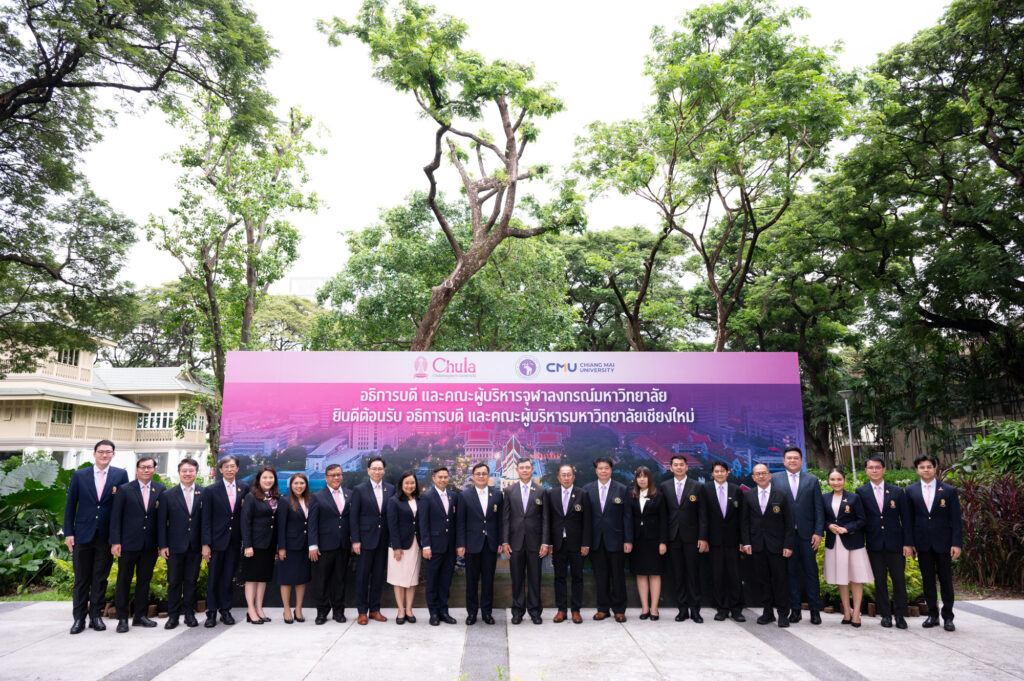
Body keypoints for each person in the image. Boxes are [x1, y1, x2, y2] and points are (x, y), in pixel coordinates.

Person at [63, 440, 129, 634]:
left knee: (100, 578)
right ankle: (79, 619)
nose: (104, 455)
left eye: (108, 452)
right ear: (94, 454)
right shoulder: (79, 475)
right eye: (101, 452)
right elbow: (70, 505)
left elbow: (123, 506)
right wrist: (69, 533)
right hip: (82, 535)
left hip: (106, 536)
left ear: (113, 455)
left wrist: (118, 538)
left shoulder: (120, 475)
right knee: (81, 579)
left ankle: (96, 616)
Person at [905, 454, 963, 632]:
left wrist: (956, 543)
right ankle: (932, 614)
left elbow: (956, 520)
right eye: (922, 467)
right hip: (922, 544)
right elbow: (908, 520)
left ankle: (948, 617)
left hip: (944, 543)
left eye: (929, 466)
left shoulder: (948, 490)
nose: (926, 470)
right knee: (928, 581)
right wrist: (909, 543)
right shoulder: (911, 490)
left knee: (946, 581)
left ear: (935, 469)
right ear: (917, 470)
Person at [854, 456, 912, 629]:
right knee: (880, 582)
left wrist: (908, 543)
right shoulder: (861, 492)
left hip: (895, 544)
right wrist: (861, 544)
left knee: (899, 581)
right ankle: (885, 615)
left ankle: (900, 615)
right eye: (870, 467)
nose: (874, 470)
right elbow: (860, 520)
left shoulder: (897, 492)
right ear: (866, 470)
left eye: (877, 467)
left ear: (884, 469)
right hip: (874, 544)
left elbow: (906, 520)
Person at [110, 456, 165, 632]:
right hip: (127, 543)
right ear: (137, 469)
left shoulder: (160, 489)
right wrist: (115, 541)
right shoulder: (125, 489)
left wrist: (161, 544)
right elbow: (115, 517)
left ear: (155, 469)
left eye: (150, 467)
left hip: (149, 545)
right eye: (143, 467)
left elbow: (161, 520)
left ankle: (140, 616)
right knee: (123, 581)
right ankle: (122, 619)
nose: (146, 470)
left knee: (144, 581)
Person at [772, 446, 825, 624]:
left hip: (808, 535)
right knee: (791, 573)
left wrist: (818, 532)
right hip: (787, 536)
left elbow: (819, 509)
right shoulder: (775, 479)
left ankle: (815, 610)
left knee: (811, 573)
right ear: (784, 461)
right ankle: (795, 610)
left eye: (796, 458)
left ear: (802, 461)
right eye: (789, 458)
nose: (792, 461)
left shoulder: (812, 480)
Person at [741, 463, 795, 627]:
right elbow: (744, 522)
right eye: (757, 474)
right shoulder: (748, 495)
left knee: (780, 580)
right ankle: (767, 612)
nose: (761, 476)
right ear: (753, 477)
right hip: (757, 545)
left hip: (777, 546)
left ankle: (783, 613)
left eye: (764, 473)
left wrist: (788, 545)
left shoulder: (781, 495)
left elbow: (789, 523)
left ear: (769, 475)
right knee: (763, 580)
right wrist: (746, 542)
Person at [658, 454, 708, 623]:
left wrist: (703, 537)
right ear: (670, 468)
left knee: (693, 574)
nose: (679, 467)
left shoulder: (697, 486)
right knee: (678, 575)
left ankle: (695, 610)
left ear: (687, 467)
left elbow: (703, 515)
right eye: (675, 465)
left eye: (682, 465)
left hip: (692, 538)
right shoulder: (664, 487)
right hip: (673, 538)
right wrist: (663, 540)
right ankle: (682, 609)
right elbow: (663, 516)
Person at [501, 458, 550, 625]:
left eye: (527, 468)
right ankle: (518, 611)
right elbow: (505, 518)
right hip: (515, 542)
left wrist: (545, 542)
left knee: (535, 578)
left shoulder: (542, 490)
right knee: (517, 578)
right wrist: (505, 541)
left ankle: (535, 611)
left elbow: (545, 519)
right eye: (521, 468)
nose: (524, 470)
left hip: (535, 543)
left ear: (532, 470)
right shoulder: (509, 491)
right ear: (517, 470)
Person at [584, 457, 633, 623]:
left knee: (618, 576)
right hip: (596, 540)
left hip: (617, 540)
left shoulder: (622, 489)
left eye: (606, 468)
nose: (603, 471)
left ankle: (619, 610)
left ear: (611, 470)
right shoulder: (587, 489)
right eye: (600, 468)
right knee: (600, 576)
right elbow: (584, 518)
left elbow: (627, 516)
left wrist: (628, 540)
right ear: (596, 470)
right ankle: (603, 609)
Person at [822, 467, 873, 627]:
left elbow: (862, 520)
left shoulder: (854, 498)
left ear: (844, 480)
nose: (836, 482)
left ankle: (856, 613)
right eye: (832, 479)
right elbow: (821, 519)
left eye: (839, 479)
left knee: (856, 578)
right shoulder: (824, 498)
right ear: (828, 481)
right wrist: (829, 526)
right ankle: (846, 611)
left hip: (853, 543)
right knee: (841, 579)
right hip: (834, 543)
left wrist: (847, 528)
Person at [201, 455, 247, 627]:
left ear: (237, 469)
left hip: (235, 542)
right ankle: (211, 612)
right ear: (220, 470)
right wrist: (205, 544)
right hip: (215, 542)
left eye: (232, 466)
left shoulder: (244, 488)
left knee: (228, 577)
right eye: (226, 466)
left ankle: (225, 610)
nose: (229, 469)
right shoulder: (211, 490)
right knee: (214, 578)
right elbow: (205, 519)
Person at [158, 457, 204, 629]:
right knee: (174, 582)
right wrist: (163, 545)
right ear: (179, 473)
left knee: (191, 581)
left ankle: (189, 614)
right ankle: (173, 616)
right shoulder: (167, 495)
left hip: (195, 546)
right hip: (174, 546)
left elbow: (205, 522)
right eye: (184, 471)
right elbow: (162, 523)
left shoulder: (203, 493)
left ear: (196, 473)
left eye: (191, 471)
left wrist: (205, 544)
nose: (187, 474)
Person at [456, 462, 502, 625]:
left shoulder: (497, 494)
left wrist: (500, 541)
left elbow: (500, 521)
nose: (481, 476)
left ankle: (487, 613)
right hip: (471, 544)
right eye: (478, 473)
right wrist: (460, 544)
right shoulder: (464, 495)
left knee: (488, 581)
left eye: (484, 473)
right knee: (471, 581)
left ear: (488, 476)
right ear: (473, 476)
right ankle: (472, 613)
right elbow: (460, 522)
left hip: (490, 544)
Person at [350, 456, 394, 625]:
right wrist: (355, 540)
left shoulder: (390, 489)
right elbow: (354, 517)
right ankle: (362, 612)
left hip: (383, 540)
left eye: (380, 468)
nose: (377, 471)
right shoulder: (359, 489)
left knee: (378, 576)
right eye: (374, 468)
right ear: (368, 470)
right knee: (362, 576)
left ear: (384, 471)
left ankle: (375, 609)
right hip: (365, 540)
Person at [547, 464, 591, 624]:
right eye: (563, 475)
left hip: (577, 543)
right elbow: (548, 520)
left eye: (569, 475)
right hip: (558, 543)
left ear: (573, 477)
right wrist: (549, 543)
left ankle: (576, 610)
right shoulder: (551, 494)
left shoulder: (582, 494)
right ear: (559, 477)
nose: (566, 478)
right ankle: (561, 610)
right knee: (559, 577)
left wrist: (586, 543)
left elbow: (587, 521)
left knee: (578, 577)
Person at [308, 463, 351, 624]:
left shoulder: (349, 494)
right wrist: (313, 545)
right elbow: (312, 523)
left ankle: (339, 611)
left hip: (343, 545)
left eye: (338, 474)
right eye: (332, 475)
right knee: (321, 580)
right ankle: (322, 612)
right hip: (323, 546)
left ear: (342, 476)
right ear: (326, 477)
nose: (336, 477)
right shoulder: (317, 496)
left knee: (339, 580)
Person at [703, 460, 745, 622]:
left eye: (722, 471)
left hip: (733, 541)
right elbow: (703, 516)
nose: (719, 473)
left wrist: (743, 540)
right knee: (717, 575)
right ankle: (721, 608)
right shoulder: (705, 489)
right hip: (714, 541)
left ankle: (736, 609)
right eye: (716, 471)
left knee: (734, 575)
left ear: (728, 472)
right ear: (712, 473)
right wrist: (704, 539)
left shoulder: (736, 490)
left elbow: (742, 517)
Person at [240, 466, 279, 624]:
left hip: (269, 545)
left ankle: (259, 608)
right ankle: (250, 610)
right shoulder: (251, 497)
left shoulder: (276, 497)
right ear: (259, 480)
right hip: (254, 545)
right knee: (252, 578)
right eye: (265, 478)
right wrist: (247, 545)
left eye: (270, 477)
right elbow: (245, 522)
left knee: (263, 578)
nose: (268, 480)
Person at [420, 466, 458, 626]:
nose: (443, 479)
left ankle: (443, 611)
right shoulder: (427, 497)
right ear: (434, 479)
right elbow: (423, 523)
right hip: (433, 547)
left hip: (449, 546)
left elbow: (455, 521)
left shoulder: (453, 496)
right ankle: (433, 612)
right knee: (433, 581)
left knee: (445, 580)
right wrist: (426, 545)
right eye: (440, 477)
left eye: (445, 477)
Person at [630, 466, 666, 621]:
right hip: (637, 541)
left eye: (645, 476)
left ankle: (654, 608)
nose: (642, 479)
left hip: (655, 540)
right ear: (636, 479)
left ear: (650, 479)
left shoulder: (659, 496)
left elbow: (664, 521)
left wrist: (663, 541)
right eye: (639, 476)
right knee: (641, 573)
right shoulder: (631, 496)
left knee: (654, 573)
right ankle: (644, 607)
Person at [386, 471, 422, 624]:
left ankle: (409, 609)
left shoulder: (420, 499)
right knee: (399, 578)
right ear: (401, 485)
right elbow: (392, 525)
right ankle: (401, 610)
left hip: (416, 544)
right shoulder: (394, 501)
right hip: (400, 545)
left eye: (412, 483)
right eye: (406, 483)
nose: (410, 486)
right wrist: (396, 547)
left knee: (412, 578)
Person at [277, 472, 312, 623]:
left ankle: (298, 608)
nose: (299, 486)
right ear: (291, 485)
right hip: (290, 547)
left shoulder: (310, 500)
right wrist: (282, 547)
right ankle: (286, 609)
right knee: (286, 579)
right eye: (296, 483)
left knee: (301, 579)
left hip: (305, 546)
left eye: (302, 483)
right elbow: (281, 526)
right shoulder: (285, 502)